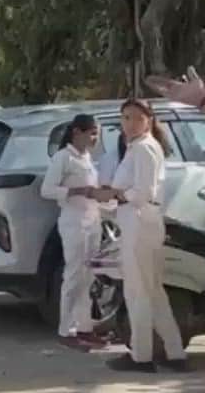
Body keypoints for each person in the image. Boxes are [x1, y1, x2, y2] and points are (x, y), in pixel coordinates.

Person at [93, 99, 188, 373]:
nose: (130, 123)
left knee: (138, 292)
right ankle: (174, 352)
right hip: (137, 221)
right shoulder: (137, 147)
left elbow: (142, 193)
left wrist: (115, 193)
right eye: (125, 118)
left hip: (139, 222)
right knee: (153, 292)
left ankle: (141, 356)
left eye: (137, 118)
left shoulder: (144, 148)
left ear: (149, 120)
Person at [40, 115, 106, 352]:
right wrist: (77, 191)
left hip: (92, 219)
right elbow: (47, 190)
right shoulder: (63, 157)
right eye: (91, 133)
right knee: (74, 275)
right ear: (77, 132)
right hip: (73, 222)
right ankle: (65, 330)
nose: (95, 138)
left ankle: (85, 327)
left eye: (97, 133)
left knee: (89, 276)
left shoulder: (87, 158)